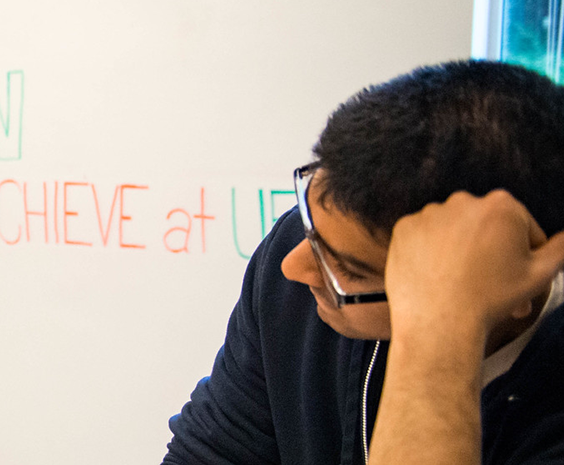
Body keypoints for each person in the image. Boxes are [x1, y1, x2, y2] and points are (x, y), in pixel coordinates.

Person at [163, 60, 564, 464]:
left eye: (351, 271)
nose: (294, 266)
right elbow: (211, 453)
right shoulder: (297, 260)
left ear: (516, 288)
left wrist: (438, 342)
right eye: (309, 220)